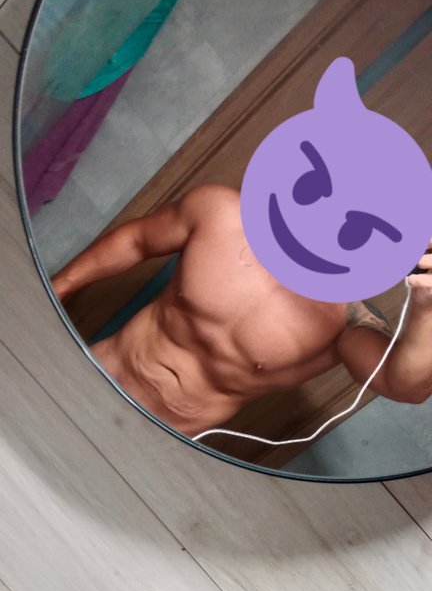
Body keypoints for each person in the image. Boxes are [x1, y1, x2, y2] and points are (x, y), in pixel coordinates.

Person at [51, 184, 432, 438]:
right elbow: (137, 241)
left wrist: (427, 306)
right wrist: (57, 288)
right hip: (89, 372)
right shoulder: (225, 214)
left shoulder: (349, 323)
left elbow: (406, 386)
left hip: (166, 436)